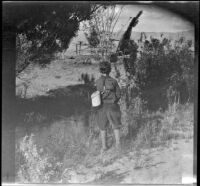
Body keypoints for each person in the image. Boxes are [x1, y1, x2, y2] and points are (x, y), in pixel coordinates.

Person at [95, 61, 122, 152]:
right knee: (116, 126)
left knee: (103, 127)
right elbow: (118, 94)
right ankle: (118, 146)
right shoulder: (113, 81)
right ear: (109, 70)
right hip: (112, 105)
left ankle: (104, 147)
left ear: (100, 70)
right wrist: (114, 101)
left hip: (102, 107)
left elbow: (97, 96)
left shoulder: (98, 82)